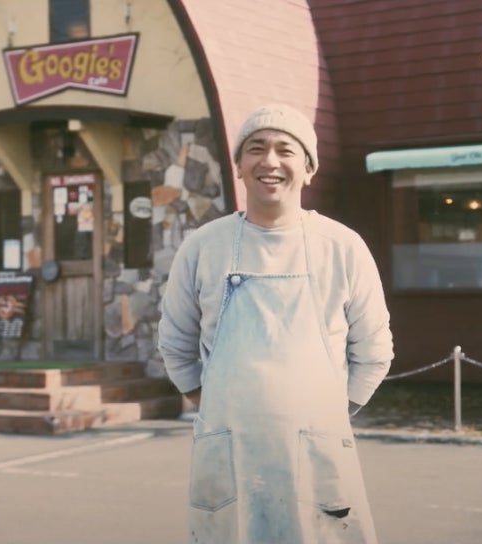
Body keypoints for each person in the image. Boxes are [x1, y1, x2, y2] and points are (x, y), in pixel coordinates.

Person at [158, 103, 394, 543]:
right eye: (256, 148)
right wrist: (210, 405)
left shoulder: (342, 246)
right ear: (239, 166)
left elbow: (375, 350)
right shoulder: (203, 247)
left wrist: (331, 414)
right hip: (228, 449)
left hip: (320, 451)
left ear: (308, 169)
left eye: (286, 150)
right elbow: (175, 342)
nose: (270, 161)